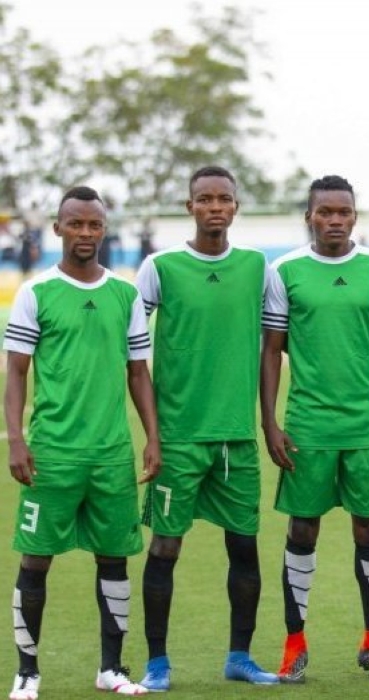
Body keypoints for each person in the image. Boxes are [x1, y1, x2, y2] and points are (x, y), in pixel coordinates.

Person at [5, 186, 160, 699]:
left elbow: (138, 373)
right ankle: (27, 673)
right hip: (52, 452)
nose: (86, 233)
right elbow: (17, 372)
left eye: (95, 224)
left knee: (114, 558)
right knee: (35, 559)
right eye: (76, 224)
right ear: (58, 228)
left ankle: (111, 669)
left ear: (104, 230)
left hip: (111, 453)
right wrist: (17, 440)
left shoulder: (125, 295)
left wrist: (152, 438)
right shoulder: (37, 292)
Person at [261, 175, 369, 683]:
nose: (334, 220)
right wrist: (269, 420)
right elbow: (271, 351)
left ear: (354, 216)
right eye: (324, 212)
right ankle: (294, 645)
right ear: (309, 216)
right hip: (308, 423)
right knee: (302, 528)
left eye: (343, 212)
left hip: (367, 423)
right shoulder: (285, 271)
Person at [135, 166, 277, 690]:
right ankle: (157, 663)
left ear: (236, 206)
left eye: (224, 199)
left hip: (236, 439)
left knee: (244, 549)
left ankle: (240, 657)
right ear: (189, 206)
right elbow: (132, 348)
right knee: (165, 548)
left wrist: (268, 421)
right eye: (205, 199)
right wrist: (154, 434)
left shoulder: (257, 267)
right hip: (179, 438)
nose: (215, 207)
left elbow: (273, 346)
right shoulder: (160, 267)